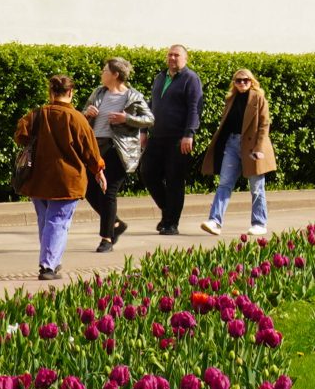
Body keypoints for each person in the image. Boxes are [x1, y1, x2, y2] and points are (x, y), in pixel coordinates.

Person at [16, 74, 106, 280]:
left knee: (46, 220)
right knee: (58, 221)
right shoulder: (77, 119)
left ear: (51, 92)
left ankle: (52, 261)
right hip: (68, 180)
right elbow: (91, 152)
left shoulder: (37, 114)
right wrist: (98, 171)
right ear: (71, 92)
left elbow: (20, 135)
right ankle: (48, 265)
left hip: (37, 178)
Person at [80, 58, 153, 253]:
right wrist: (88, 113)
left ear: (115, 75)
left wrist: (126, 118)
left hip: (119, 150)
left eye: (105, 70)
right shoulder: (99, 92)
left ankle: (107, 239)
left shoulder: (133, 96)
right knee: (88, 189)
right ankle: (116, 224)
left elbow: (149, 119)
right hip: (97, 148)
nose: (102, 73)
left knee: (108, 192)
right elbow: (81, 115)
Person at [199, 68, 276, 238]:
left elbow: (264, 124)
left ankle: (259, 223)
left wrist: (259, 147)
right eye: (238, 80)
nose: (242, 83)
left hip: (253, 146)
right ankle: (215, 221)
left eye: (246, 80)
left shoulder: (258, 97)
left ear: (252, 81)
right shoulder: (231, 98)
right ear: (234, 83)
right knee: (224, 183)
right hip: (232, 144)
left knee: (256, 187)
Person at [141, 44, 202, 235]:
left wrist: (189, 133)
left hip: (178, 138)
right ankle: (168, 211)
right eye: (170, 55)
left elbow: (194, 107)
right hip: (157, 136)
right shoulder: (160, 78)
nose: (172, 58)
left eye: (176, 55)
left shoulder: (190, 79)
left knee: (175, 180)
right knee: (147, 173)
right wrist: (143, 130)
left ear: (185, 58)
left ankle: (171, 223)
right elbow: (151, 106)